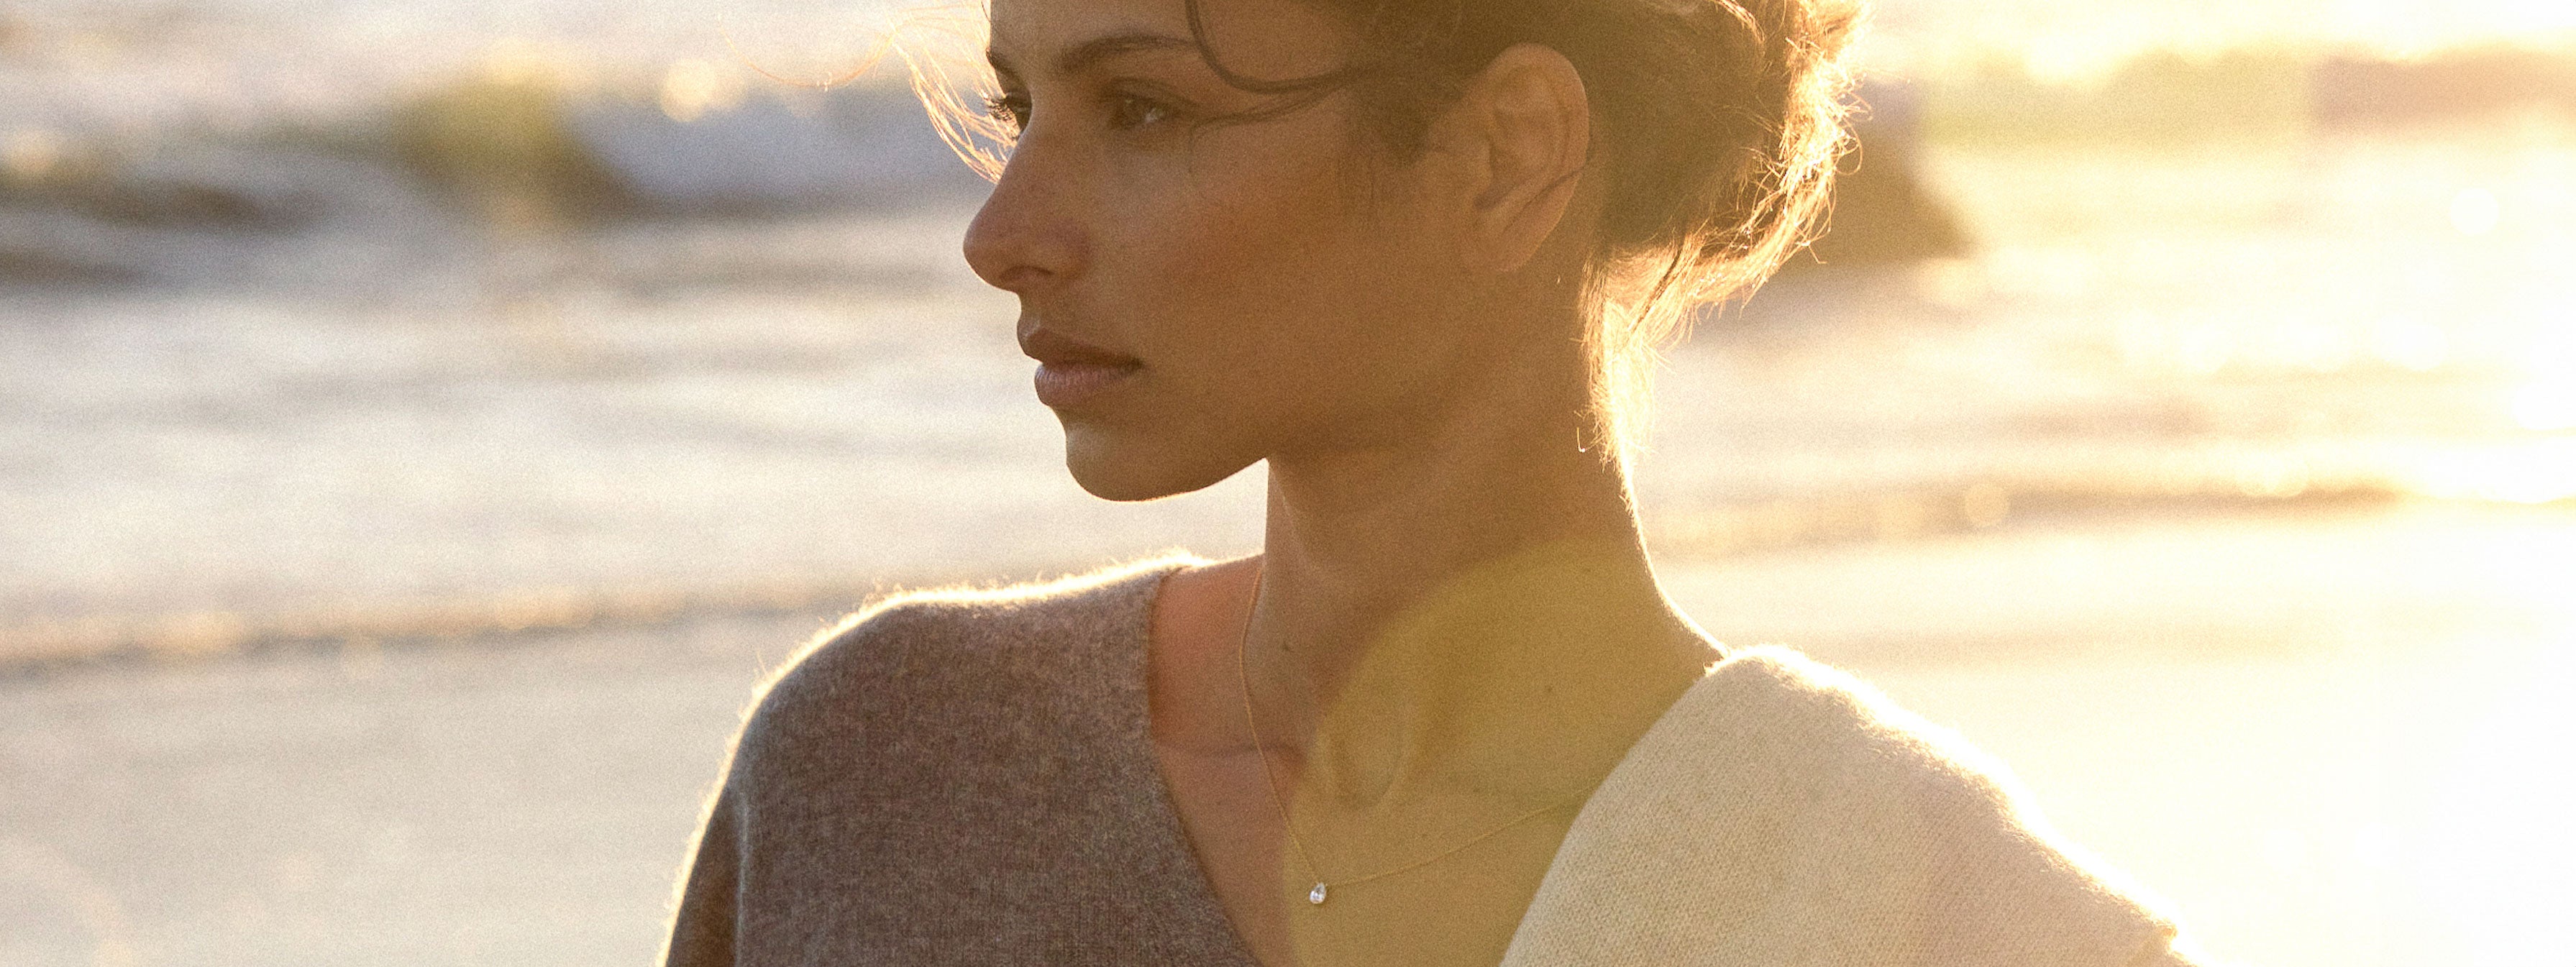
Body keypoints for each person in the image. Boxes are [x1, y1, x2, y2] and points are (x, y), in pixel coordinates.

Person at [660, 0, 2202, 963]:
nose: (1003, 232)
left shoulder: (1951, 925)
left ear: (1504, 156)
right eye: (1017, 107)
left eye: (1142, 110)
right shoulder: (880, 781)